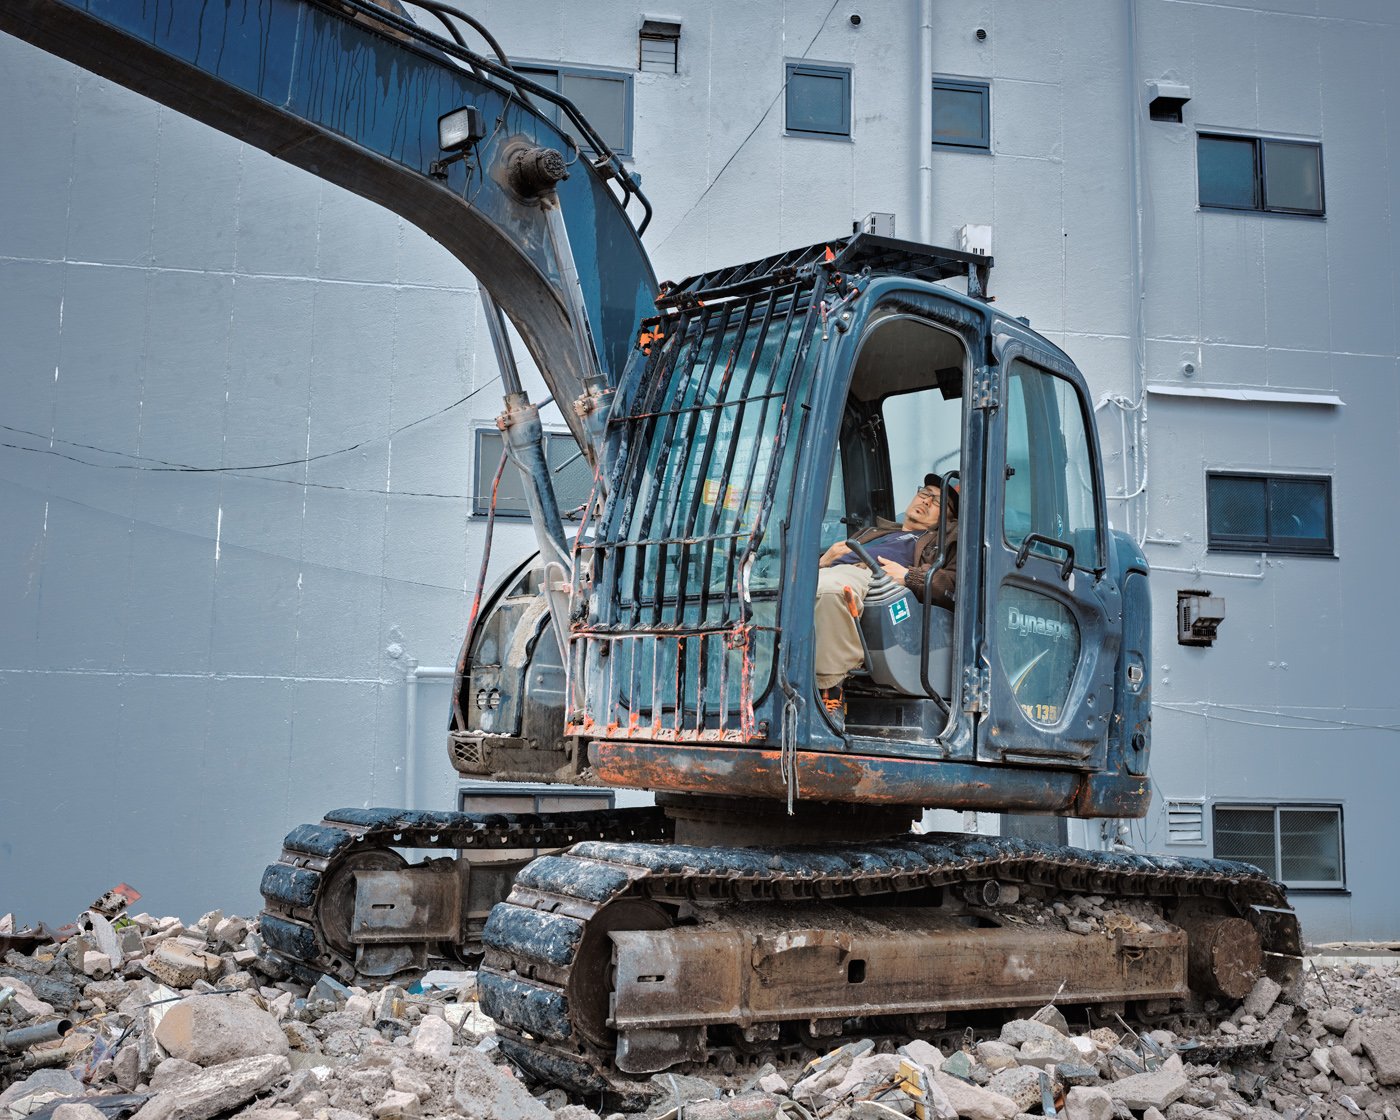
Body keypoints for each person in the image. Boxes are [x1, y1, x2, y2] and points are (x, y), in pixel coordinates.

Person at [815, 473, 959, 720]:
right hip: (828, 570)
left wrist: (908, 576)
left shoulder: (942, 542)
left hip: (864, 576)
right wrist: (822, 561)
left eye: (938, 502)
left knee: (831, 590)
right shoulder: (872, 533)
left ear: (948, 519)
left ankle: (830, 690)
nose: (925, 501)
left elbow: (955, 584)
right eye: (924, 493)